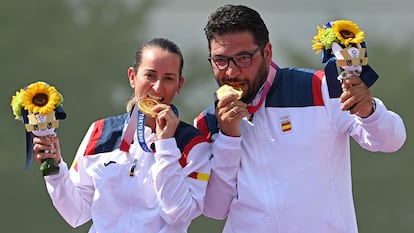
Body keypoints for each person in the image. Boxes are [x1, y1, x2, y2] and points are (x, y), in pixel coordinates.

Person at [194, 4, 406, 233]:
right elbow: (214, 209)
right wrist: (228, 138)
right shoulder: (209, 123)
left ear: (267, 53)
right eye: (220, 61)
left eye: (243, 58)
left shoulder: (319, 88)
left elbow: (391, 140)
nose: (231, 72)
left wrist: (369, 110)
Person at [33, 38, 211, 233]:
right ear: (133, 77)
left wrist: (166, 146)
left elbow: (179, 215)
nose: (158, 87)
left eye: (168, 78)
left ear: (179, 84)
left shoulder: (193, 144)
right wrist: (55, 170)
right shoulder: (100, 132)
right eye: (150, 76)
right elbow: (76, 213)